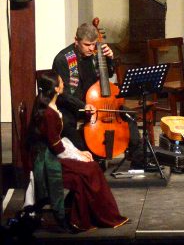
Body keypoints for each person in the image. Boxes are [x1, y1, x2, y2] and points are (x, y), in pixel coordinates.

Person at [27, 70, 129, 231]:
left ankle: (98, 215)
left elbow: (58, 141)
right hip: (49, 161)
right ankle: (93, 217)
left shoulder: (51, 107)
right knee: (89, 169)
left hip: (54, 154)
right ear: (56, 89)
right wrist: (78, 156)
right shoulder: (49, 114)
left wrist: (78, 153)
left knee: (92, 167)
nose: (63, 83)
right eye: (61, 82)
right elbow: (57, 147)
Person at [51, 23, 144, 168]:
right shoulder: (63, 59)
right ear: (76, 41)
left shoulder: (96, 53)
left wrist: (110, 59)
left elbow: (109, 74)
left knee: (128, 116)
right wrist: (84, 106)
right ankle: (92, 157)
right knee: (69, 127)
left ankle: (138, 159)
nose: (91, 48)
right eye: (87, 45)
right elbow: (63, 94)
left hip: (98, 103)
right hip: (73, 105)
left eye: (94, 44)